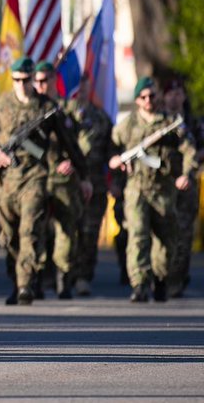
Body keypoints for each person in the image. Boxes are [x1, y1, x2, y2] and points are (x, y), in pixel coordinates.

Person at [0, 57, 84, 305]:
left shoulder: (46, 108)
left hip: (35, 177)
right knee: (10, 235)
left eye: (26, 80)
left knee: (30, 230)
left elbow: (69, 143)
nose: (22, 85)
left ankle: (26, 284)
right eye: (17, 80)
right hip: (6, 180)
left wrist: (83, 174)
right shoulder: (0, 105)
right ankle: (18, 281)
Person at [110, 77, 192, 302]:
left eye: (152, 96)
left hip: (163, 189)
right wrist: (116, 163)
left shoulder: (171, 122)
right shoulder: (127, 125)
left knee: (166, 240)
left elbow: (189, 149)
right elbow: (112, 148)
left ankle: (161, 278)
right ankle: (139, 283)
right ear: (137, 100)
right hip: (136, 188)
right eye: (143, 97)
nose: (148, 100)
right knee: (137, 235)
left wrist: (185, 174)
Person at [32, 61, 93, 299]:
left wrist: (74, 164)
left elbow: (84, 142)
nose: (40, 85)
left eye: (44, 80)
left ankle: (63, 277)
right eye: (36, 81)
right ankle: (36, 277)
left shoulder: (68, 110)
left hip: (64, 181)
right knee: (35, 229)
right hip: (37, 177)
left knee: (66, 231)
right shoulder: (30, 109)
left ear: (53, 81)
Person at [62, 84, 114, 297]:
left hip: (95, 183)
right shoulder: (59, 115)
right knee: (65, 232)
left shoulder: (101, 118)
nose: (79, 91)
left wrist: (116, 181)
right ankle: (62, 274)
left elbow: (112, 152)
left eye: (84, 86)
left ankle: (83, 276)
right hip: (65, 183)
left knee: (90, 232)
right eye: (76, 86)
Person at [154, 77, 200, 298]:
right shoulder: (158, 121)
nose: (174, 97)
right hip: (162, 184)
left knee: (183, 233)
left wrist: (189, 166)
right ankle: (160, 274)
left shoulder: (193, 122)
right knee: (162, 231)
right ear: (164, 96)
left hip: (187, 185)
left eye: (178, 93)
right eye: (170, 93)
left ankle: (177, 279)